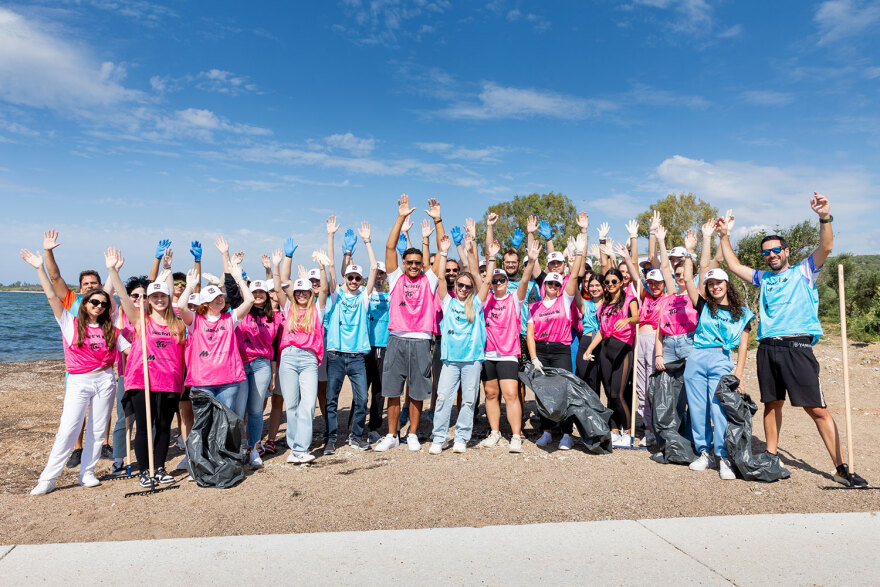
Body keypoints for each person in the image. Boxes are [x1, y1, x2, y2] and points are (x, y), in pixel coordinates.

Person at [718, 194, 867, 486]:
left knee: (817, 409)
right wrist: (725, 236)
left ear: (786, 251)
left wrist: (824, 217)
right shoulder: (763, 278)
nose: (771, 255)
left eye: (776, 250)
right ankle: (772, 456)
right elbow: (734, 266)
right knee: (772, 404)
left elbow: (826, 246)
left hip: (797, 347)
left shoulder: (804, 271)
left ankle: (841, 466)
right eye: (766, 252)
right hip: (768, 348)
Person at [22, 248, 130, 495]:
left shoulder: (111, 327)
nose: (99, 305)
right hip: (79, 381)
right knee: (68, 429)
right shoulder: (69, 322)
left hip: (105, 379)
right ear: (85, 303)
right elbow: (52, 295)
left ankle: (87, 472)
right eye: (94, 301)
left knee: (98, 427)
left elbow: (130, 351)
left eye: (103, 303)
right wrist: (40, 268)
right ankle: (48, 478)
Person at [105, 248, 187, 487]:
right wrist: (113, 271)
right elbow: (121, 296)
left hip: (170, 381)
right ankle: (145, 471)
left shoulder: (177, 322)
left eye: (163, 297)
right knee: (144, 427)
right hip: (143, 380)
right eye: (155, 297)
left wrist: (169, 270)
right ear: (149, 300)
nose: (159, 300)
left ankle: (159, 468)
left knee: (163, 426)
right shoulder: (141, 319)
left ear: (167, 299)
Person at [374, 195, 444, 452]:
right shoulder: (395, 279)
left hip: (421, 340)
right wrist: (401, 217)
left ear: (423, 265)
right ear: (404, 264)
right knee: (392, 391)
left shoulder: (430, 280)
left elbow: (442, 248)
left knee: (417, 391)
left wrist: (438, 220)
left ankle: (412, 434)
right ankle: (392, 434)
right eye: (410, 262)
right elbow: (390, 248)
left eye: (418, 263)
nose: (414, 265)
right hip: (397, 339)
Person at [41, 229, 116, 468]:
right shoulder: (71, 301)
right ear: (80, 286)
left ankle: (104, 443)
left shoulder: (104, 303)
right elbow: (55, 278)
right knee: (76, 414)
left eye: (94, 283)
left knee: (102, 411)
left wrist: (113, 268)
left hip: (102, 369)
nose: (89, 286)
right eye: (86, 283)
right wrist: (48, 252)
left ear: (100, 285)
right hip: (76, 369)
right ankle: (77, 448)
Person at [680, 256, 753, 480]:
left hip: (721, 358)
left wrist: (738, 374)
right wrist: (690, 252)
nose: (715, 287)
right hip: (697, 357)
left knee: (718, 408)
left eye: (718, 283)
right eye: (711, 284)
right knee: (698, 408)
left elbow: (742, 346)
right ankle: (705, 452)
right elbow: (691, 282)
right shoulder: (703, 306)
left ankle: (724, 457)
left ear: (726, 284)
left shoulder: (742, 313)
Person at [528, 212, 589, 450]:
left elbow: (574, 275)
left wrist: (580, 249)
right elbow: (530, 332)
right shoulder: (535, 306)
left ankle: (565, 433)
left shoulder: (565, 300)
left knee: (563, 390)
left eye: (556, 283)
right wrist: (533, 357)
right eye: (549, 283)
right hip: (541, 350)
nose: (553, 286)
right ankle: (545, 430)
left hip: (562, 349)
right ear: (544, 285)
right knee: (543, 392)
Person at [176, 236, 254, 413]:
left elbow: (249, 300)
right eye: (214, 298)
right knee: (205, 424)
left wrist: (238, 279)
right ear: (205, 303)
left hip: (228, 381)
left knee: (223, 424)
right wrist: (189, 287)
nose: (219, 299)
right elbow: (181, 306)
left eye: (220, 296)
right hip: (202, 382)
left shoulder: (230, 318)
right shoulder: (196, 320)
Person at [479, 240, 540, 453]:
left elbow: (524, 280)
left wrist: (531, 260)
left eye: (501, 279)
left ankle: (515, 435)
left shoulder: (515, 299)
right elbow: (479, 277)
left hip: (507, 354)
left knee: (511, 394)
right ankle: (495, 432)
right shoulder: (484, 300)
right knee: (490, 393)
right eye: (494, 280)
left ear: (506, 280)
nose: (497, 283)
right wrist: (490, 256)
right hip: (488, 353)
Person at [324, 222, 379, 454]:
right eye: (351, 278)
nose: (354, 281)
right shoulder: (336, 296)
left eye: (358, 278)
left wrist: (367, 242)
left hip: (357, 357)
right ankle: (330, 439)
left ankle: (356, 436)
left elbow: (375, 268)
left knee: (361, 400)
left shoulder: (364, 298)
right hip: (336, 356)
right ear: (346, 278)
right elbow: (332, 266)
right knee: (331, 402)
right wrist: (331, 236)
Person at [429, 235, 488, 454]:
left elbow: (486, 281)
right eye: (460, 284)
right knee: (443, 398)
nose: (462, 288)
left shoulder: (477, 304)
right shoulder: (448, 302)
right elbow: (441, 279)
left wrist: (480, 255)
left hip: (472, 361)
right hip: (451, 361)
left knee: (469, 402)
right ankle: (439, 437)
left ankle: (462, 437)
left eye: (466, 285)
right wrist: (443, 252)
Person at [271, 247, 330, 463]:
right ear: (295, 294)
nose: (302, 294)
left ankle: (301, 448)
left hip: (308, 359)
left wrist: (322, 267)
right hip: (288, 357)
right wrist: (276, 265)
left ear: (310, 293)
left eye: (305, 291)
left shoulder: (317, 309)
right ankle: (295, 448)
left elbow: (324, 290)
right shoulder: (288, 309)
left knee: (308, 404)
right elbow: (278, 290)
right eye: (298, 291)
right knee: (292, 404)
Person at [581, 266, 640, 447]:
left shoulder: (630, 299)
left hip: (622, 349)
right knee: (609, 393)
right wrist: (589, 349)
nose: (610, 284)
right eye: (607, 282)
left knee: (618, 393)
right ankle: (614, 430)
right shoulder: (605, 304)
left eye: (614, 281)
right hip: (605, 349)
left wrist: (628, 320)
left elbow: (637, 317)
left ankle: (628, 431)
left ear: (621, 282)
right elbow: (601, 330)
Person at [235, 276, 281, 468]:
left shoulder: (275, 317)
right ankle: (237, 450)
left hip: (262, 364)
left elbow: (275, 346)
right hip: (240, 363)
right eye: (254, 292)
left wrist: (272, 373)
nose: (258, 295)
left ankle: (253, 448)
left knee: (255, 409)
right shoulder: (242, 312)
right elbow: (232, 290)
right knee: (238, 410)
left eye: (261, 292)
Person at [364, 262, 390, 443]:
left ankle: (374, 426)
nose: (379, 277)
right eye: (377, 274)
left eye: (382, 274)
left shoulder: (390, 296)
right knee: (361, 390)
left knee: (379, 390)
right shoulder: (364, 295)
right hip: (365, 346)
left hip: (384, 346)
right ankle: (355, 426)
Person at [575, 272, 603, 395]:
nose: (594, 288)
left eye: (597, 285)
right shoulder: (585, 304)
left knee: (596, 381)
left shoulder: (609, 304)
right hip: (586, 343)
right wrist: (574, 269)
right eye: (591, 285)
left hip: (603, 344)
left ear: (604, 286)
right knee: (583, 379)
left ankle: (597, 412)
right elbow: (572, 288)